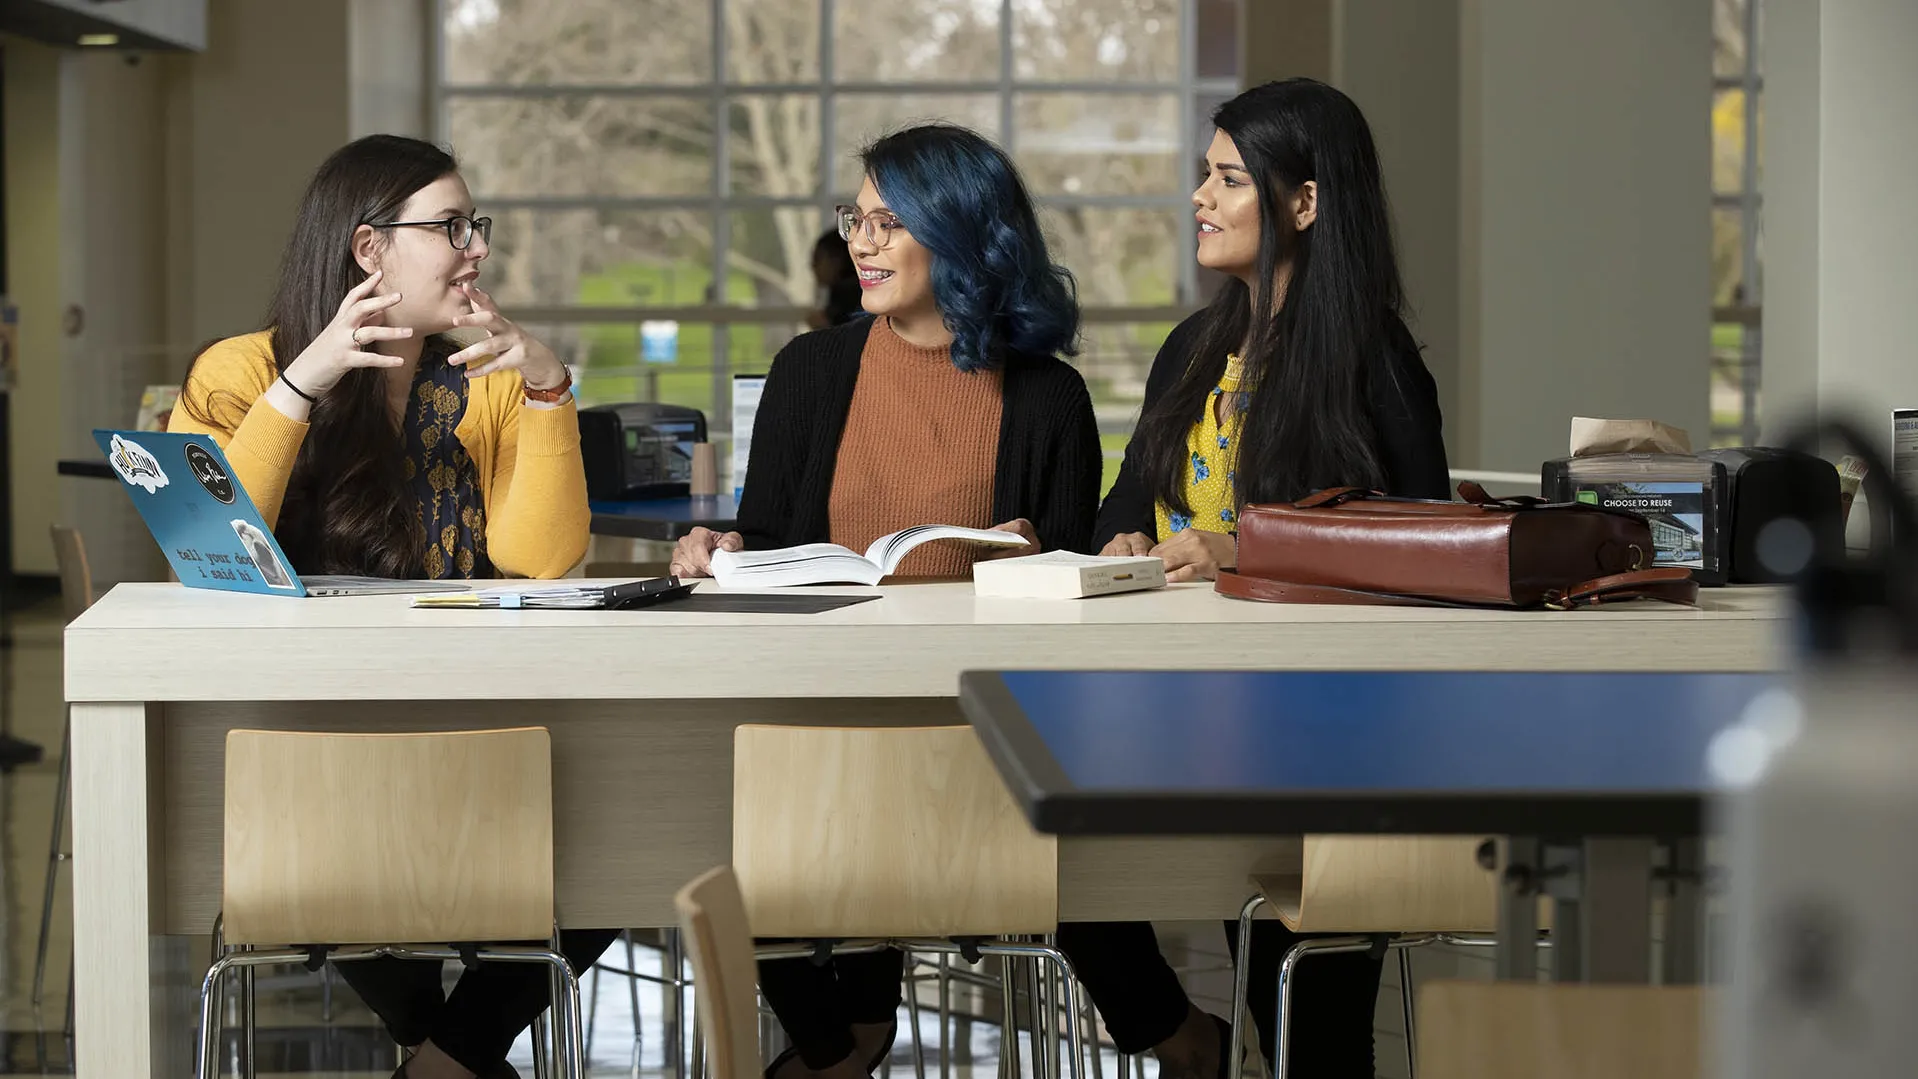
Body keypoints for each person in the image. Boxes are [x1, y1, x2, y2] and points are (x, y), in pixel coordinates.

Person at [168, 133, 611, 1079]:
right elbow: (208, 552)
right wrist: (303, 384)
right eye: (452, 226)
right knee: (348, 844)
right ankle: (455, 1058)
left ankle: (441, 1063)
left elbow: (542, 559)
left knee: (616, 847)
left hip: (469, 734)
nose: (477, 248)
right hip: (298, 751)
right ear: (369, 250)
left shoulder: (479, 380)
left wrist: (545, 388)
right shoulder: (236, 373)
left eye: (475, 225)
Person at [671, 123, 1102, 1079]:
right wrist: (724, 548)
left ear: (962, 233)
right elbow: (769, 546)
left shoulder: (1049, 399)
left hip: (984, 743)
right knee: (718, 804)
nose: (860, 242)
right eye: (854, 219)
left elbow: (1076, 607)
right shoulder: (808, 372)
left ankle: (851, 1038)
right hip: (822, 719)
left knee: (842, 807)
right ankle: (841, 1040)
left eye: (888, 221)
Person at [1059, 79, 1450, 1079]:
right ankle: (1183, 1040)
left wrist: (1243, 550)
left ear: (1305, 204)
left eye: (1228, 178)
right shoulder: (1192, 347)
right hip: (1175, 706)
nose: (1199, 195)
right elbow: (1126, 496)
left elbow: (1423, 543)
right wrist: (1117, 542)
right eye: (1206, 173)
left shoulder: (1376, 358)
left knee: (1307, 1030)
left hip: (1320, 734)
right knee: (1056, 864)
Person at [806, 227, 866, 329]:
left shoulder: (848, 297)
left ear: (836, 259)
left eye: (818, 259)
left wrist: (825, 328)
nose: (813, 266)